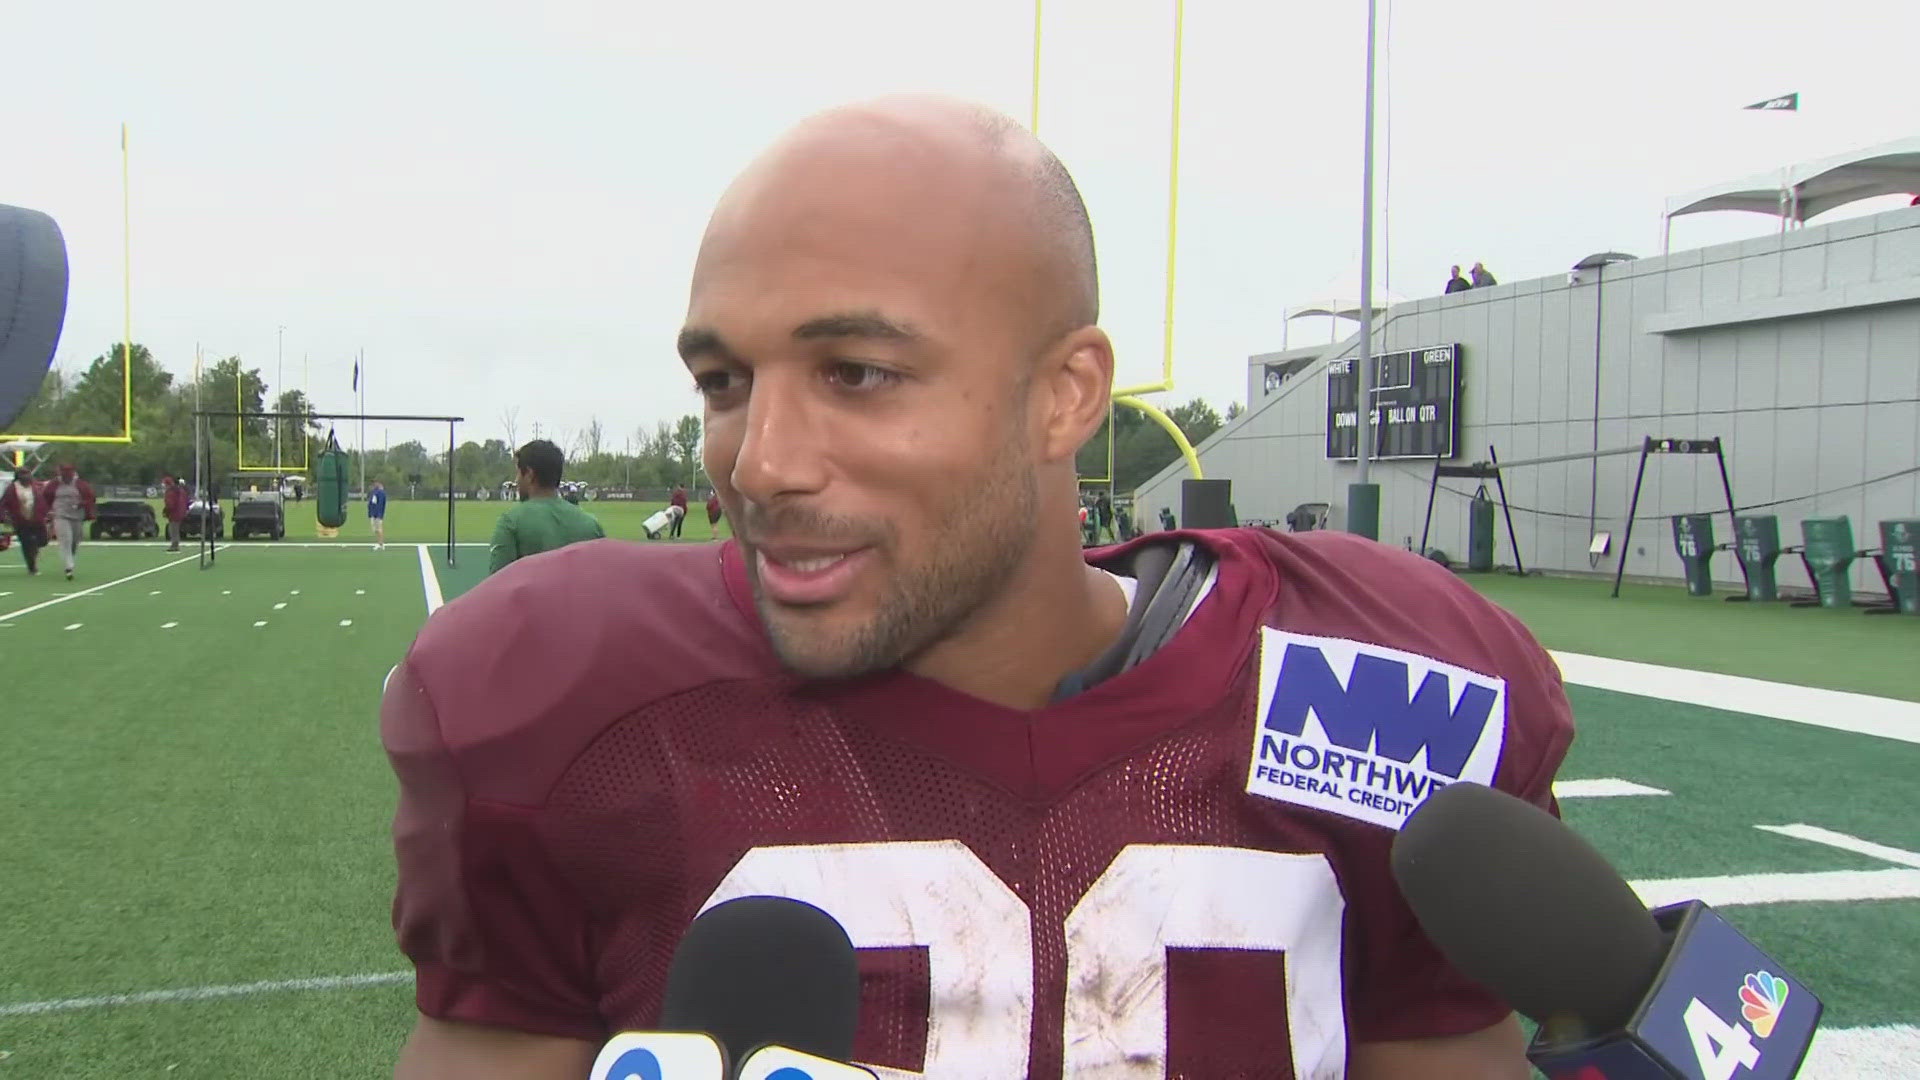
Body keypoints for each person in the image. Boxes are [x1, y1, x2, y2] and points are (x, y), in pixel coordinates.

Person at [383, 95, 1571, 1079]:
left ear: (1066, 394)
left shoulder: (1372, 688)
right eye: (725, 378)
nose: (759, 462)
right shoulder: (584, 708)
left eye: (858, 372)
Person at [485, 439, 606, 575]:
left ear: (529, 474)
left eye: (518, 473)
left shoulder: (510, 522)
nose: (516, 480)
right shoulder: (591, 524)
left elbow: (496, 586)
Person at [44, 462, 95, 581]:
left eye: (69, 472)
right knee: (65, 540)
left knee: (74, 541)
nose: (66, 475)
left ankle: (70, 557)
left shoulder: (81, 484)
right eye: (64, 472)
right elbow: (45, 498)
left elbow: (91, 498)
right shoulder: (54, 484)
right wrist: (49, 511)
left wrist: (81, 504)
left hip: (77, 516)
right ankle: (69, 567)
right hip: (60, 515)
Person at [0, 469, 48, 574]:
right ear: (18, 477)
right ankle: (32, 567)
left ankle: (35, 548)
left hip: (37, 519)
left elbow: (43, 501)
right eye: (23, 475)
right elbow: (3, 504)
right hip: (20, 520)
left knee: (43, 540)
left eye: (27, 474)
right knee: (27, 544)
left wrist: (46, 513)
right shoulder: (12, 489)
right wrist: (4, 517)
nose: (26, 477)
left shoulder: (36, 487)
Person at [162, 475, 189, 552]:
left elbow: (170, 504)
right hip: (180, 512)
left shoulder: (171, 492)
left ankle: (174, 545)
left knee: (173, 530)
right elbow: (186, 501)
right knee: (175, 529)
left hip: (174, 513)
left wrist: (166, 510)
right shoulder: (180, 491)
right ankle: (175, 544)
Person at [367, 480, 388, 550]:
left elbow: (380, 504)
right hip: (374, 513)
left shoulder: (380, 493)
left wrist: (379, 515)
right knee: (376, 529)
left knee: (379, 529)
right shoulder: (374, 492)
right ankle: (379, 542)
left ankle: (381, 543)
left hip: (377, 514)